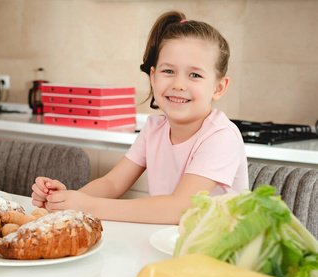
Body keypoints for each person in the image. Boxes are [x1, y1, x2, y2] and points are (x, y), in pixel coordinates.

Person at [32, 10, 248, 224]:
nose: (178, 84)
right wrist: (65, 200)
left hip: (216, 254)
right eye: (168, 71)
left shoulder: (221, 136)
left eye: (195, 75)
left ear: (219, 87)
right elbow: (112, 184)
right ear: (153, 77)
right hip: (168, 244)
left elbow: (180, 208)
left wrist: (87, 206)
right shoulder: (153, 129)